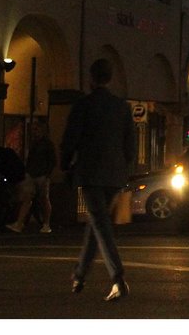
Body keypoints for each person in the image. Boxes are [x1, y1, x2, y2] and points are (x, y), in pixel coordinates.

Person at [61, 58, 135, 302]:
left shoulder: (84, 105)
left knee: (100, 224)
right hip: (115, 174)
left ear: (91, 78)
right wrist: (125, 167)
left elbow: (70, 139)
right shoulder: (121, 107)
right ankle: (79, 275)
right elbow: (130, 145)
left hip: (91, 172)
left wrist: (65, 164)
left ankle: (118, 278)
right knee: (97, 224)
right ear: (110, 78)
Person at [7, 120, 57, 233]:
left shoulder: (47, 144)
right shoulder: (34, 143)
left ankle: (46, 224)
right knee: (27, 198)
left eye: (37, 130)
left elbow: (52, 161)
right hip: (32, 174)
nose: (35, 132)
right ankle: (19, 223)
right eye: (34, 130)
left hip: (41, 175)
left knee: (44, 199)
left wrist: (46, 174)